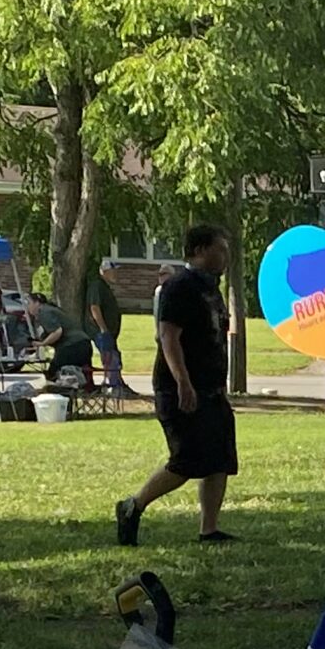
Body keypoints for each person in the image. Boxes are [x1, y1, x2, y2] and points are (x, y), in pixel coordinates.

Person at [115, 225, 237, 546]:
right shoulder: (180, 287)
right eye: (219, 249)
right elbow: (169, 336)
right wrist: (183, 382)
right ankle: (133, 506)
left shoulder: (211, 289)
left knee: (220, 460)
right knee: (185, 461)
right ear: (199, 251)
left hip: (212, 391)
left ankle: (208, 530)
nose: (225, 256)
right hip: (181, 391)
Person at [83, 263, 133, 396]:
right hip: (101, 332)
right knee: (110, 358)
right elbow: (94, 307)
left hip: (108, 332)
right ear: (104, 271)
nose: (115, 274)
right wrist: (103, 328)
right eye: (113, 271)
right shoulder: (97, 286)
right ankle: (112, 386)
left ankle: (115, 384)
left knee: (113, 356)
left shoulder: (104, 286)